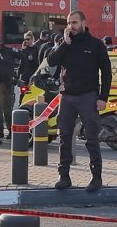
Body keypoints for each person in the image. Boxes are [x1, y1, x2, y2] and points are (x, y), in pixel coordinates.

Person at [47, 11, 112, 192]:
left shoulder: (95, 45)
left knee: (92, 138)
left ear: (84, 22)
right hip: (67, 96)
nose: (71, 26)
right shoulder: (65, 44)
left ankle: (96, 177)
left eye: (74, 22)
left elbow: (106, 73)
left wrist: (103, 98)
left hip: (88, 96)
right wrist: (65, 44)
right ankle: (64, 176)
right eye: (69, 23)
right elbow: (52, 61)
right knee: (64, 137)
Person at [0, 39, 23, 139]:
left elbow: (23, 56)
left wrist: (17, 75)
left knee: (8, 110)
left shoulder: (9, 51)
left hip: (8, 84)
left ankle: (11, 131)